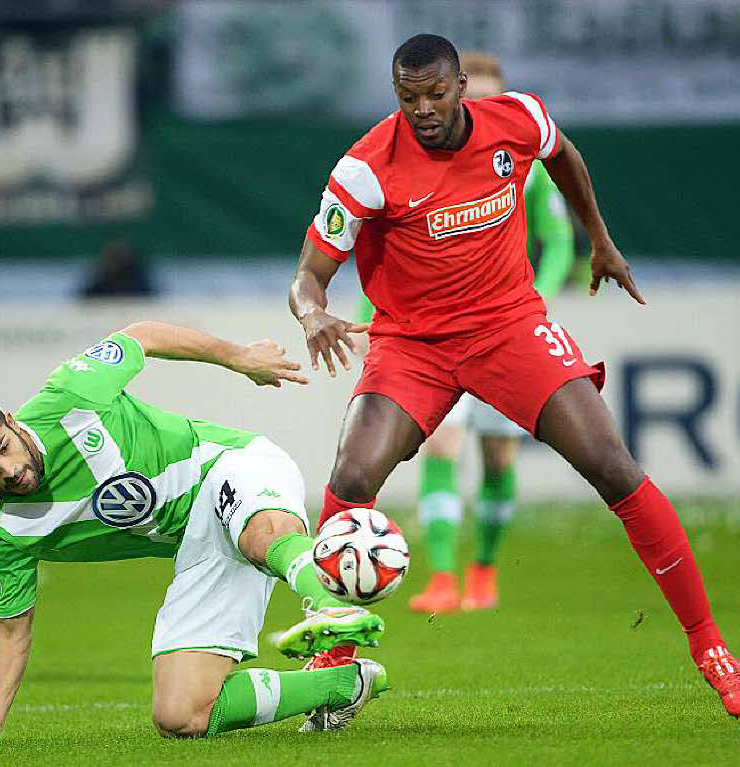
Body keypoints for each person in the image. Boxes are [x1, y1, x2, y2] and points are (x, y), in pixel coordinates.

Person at [287, 33, 739, 717]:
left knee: (614, 467)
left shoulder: (518, 120)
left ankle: (711, 647)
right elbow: (307, 276)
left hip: (508, 328)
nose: (423, 110)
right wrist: (311, 314)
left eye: (435, 94)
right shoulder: (365, 168)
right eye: (408, 98)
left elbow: (566, 157)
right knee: (351, 476)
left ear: (462, 84)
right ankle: (335, 655)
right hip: (414, 344)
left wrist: (601, 240)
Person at [0, 322, 389, 746]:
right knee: (180, 715)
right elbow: (11, 633)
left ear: (10, 420)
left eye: (4, 448)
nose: (9, 470)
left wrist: (240, 357)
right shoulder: (1, 528)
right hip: (198, 545)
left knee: (259, 537)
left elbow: (143, 335)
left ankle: (329, 607)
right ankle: (345, 683)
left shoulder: (70, 394)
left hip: (228, 465)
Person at [402, 52, 576, 614]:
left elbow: (560, 239)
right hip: (440, 334)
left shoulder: (523, 161)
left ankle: (484, 569)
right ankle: (444, 578)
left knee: (498, 457)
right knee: (442, 446)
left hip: (504, 331)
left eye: (493, 98)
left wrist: (535, 300)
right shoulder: (422, 164)